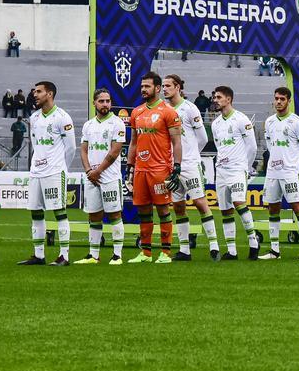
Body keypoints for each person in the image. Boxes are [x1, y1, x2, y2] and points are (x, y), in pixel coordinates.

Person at [123, 72, 182, 264]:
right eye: (142, 86)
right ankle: (146, 253)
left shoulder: (168, 112)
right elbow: (133, 142)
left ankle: (165, 253)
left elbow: (177, 142)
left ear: (157, 88)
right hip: (141, 170)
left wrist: (177, 167)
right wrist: (130, 167)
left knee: (163, 210)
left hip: (160, 170)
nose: (143, 89)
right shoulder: (137, 112)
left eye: (147, 86)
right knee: (143, 211)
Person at [14, 81, 76, 265]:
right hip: (36, 172)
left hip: (55, 171)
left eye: (39, 92)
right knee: (36, 211)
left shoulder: (62, 117)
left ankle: (64, 256)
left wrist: (61, 167)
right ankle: (39, 255)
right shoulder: (34, 117)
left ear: (49, 94)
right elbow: (35, 144)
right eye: (35, 92)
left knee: (59, 212)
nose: (35, 94)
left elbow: (71, 148)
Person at [163, 74, 220, 260]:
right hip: (171, 166)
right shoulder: (162, 109)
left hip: (190, 164)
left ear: (178, 87)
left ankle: (214, 245)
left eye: (168, 86)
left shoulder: (190, 108)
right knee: (178, 206)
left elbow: (203, 138)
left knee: (200, 202)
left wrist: (191, 155)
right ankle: (185, 250)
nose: (164, 89)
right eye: (163, 86)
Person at [74, 88, 128, 265]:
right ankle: (93, 255)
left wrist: (98, 171)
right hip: (92, 177)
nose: (105, 104)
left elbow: (115, 151)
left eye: (107, 101)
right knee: (94, 216)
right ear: (94, 103)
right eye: (101, 101)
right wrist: (89, 171)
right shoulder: (88, 125)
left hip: (110, 177)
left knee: (114, 214)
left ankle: (117, 255)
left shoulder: (117, 123)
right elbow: (83, 149)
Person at [208, 85, 260, 261]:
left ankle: (253, 241)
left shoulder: (241, 119)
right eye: (215, 97)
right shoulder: (215, 124)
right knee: (225, 210)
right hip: (221, 171)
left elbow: (252, 146)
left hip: (238, 169)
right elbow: (219, 146)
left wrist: (246, 167)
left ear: (228, 99)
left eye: (218, 97)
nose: (215, 100)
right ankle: (232, 251)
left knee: (239, 202)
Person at [260, 86, 299, 260]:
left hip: (289, 172)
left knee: (297, 207)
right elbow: (269, 143)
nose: (279, 102)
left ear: (289, 101)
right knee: (273, 208)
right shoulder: (269, 122)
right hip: (272, 172)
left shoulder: (297, 122)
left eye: (282, 99)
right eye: (276, 98)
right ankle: (275, 250)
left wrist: (291, 159)